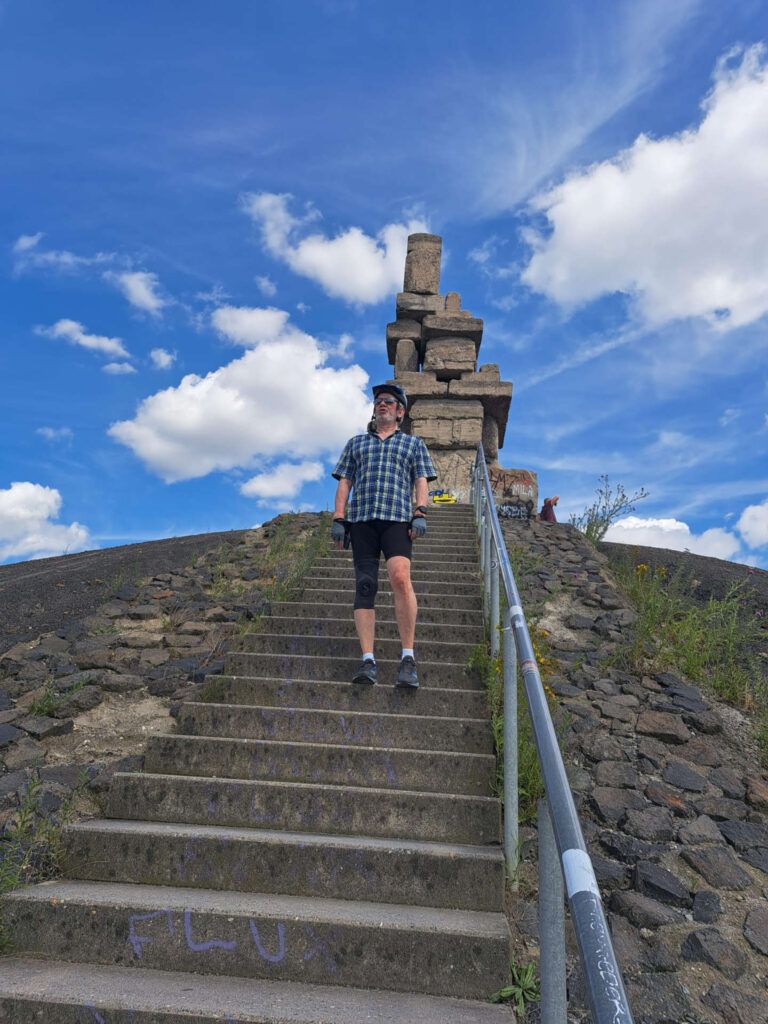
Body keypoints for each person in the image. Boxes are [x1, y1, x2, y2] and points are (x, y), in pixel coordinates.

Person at [331, 383, 436, 689]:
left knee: (400, 578)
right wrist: (339, 518)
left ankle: (408, 658)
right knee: (365, 585)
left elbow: (420, 479)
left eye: (389, 401)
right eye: (378, 401)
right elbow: (345, 482)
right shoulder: (356, 443)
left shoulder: (413, 444)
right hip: (362, 521)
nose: (382, 404)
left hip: (397, 520)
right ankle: (368, 660)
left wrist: (420, 511)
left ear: (400, 411)